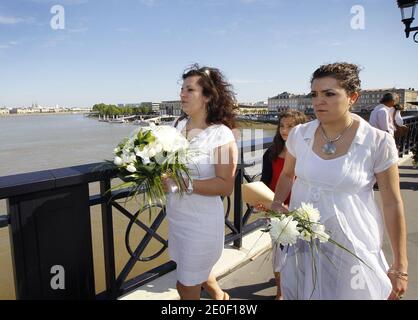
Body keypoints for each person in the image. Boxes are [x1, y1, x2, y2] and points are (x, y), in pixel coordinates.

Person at [272, 62, 408, 300]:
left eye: (329, 94)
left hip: (351, 249)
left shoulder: (377, 142)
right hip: (303, 245)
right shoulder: (299, 134)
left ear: (352, 97)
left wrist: (400, 266)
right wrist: (276, 202)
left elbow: (392, 203)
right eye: (314, 94)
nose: (318, 101)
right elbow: (287, 174)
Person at [162, 64, 239, 300]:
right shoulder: (177, 126)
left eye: (190, 90)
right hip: (177, 217)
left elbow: (225, 185)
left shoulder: (222, 135)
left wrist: (183, 183)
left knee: (185, 286)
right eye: (182, 89)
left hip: (201, 224)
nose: (182, 94)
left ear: (207, 97)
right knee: (197, 273)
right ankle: (220, 297)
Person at [260, 109, 308, 300]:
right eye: (282, 126)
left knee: (300, 253)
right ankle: (281, 291)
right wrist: (262, 201)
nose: (285, 130)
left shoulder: (308, 153)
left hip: (301, 210)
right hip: (276, 210)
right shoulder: (271, 152)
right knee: (279, 253)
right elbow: (265, 181)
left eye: (291, 126)